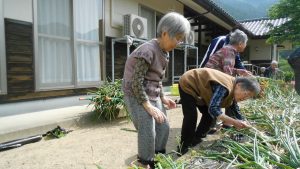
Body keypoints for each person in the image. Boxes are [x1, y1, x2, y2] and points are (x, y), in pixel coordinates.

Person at [122, 12, 190, 168]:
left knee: (163, 125)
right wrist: (148, 107)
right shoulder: (147, 51)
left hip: (151, 93)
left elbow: (157, 80)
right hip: (135, 93)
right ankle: (145, 162)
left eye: (181, 39)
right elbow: (136, 83)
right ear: (165, 33)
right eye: (177, 38)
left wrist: (163, 98)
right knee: (148, 129)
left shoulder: (165, 53)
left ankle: (158, 157)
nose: (179, 43)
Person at [177, 68, 260, 155]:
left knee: (209, 116)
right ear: (239, 85)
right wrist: (234, 122)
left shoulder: (234, 90)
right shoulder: (225, 86)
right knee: (191, 116)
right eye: (246, 94)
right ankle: (183, 146)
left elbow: (236, 112)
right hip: (189, 82)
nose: (245, 98)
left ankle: (196, 139)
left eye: (248, 97)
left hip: (201, 89)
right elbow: (214, 109)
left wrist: (244, 125)